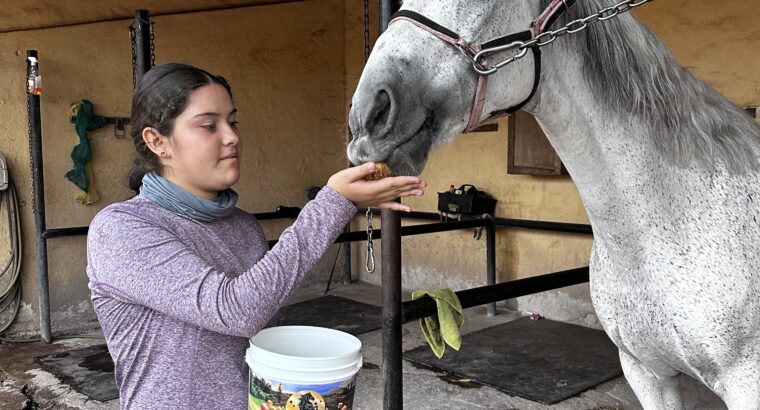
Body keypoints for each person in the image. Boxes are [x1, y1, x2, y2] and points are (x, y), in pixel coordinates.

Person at [86, 62, 426, 409]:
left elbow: (257, 340)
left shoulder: (244, 227)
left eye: (232, 122)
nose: (232, 136)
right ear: (157, 141)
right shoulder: (120, 230)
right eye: (208, 125)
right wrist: (334, 203)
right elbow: (236, 311)